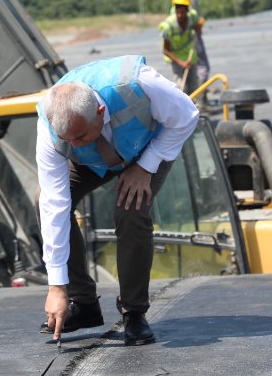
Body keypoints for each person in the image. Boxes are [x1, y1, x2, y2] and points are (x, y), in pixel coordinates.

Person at [35, 55, 199, 346]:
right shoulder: (51, 129)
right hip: (95, 161)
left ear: (100, 112)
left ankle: (134, 312)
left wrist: (146, 166)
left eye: (80, 136)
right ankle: (83, 303)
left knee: (131, 208)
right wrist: (57, 287)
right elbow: (54, 204)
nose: (73, 146)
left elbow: (187, 115)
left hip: (148, 147)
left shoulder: (141, 84)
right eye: (67, 139)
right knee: (44, 203)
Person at [159, 0, 200, 95]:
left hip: (190, 55)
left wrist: (198, 27)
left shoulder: (192, 16)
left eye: (183, 12)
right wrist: (181, 63)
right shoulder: (168, 26)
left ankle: (195, 107)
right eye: (178, 12)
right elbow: (165, 50)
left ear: (187, 10)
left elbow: (197, 26)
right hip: (176, 56)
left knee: (194, 86)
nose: (180, 15)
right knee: (182, 88)